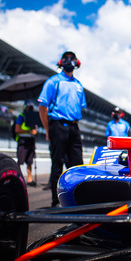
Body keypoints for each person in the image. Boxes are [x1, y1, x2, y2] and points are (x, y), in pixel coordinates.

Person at [38, 51, 87, 207]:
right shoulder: (53, 82)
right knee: (57, 164)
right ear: (61, 62)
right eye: (66, 58)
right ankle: (56, 202)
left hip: (74, 127)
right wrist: (48, 130)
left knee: (78, 164)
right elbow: (42, 107)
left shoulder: (79, 85)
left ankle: (78, 200)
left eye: (72, 58)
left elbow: (80, 106)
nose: (69, 60)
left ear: (76, 62)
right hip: (58, 126)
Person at [15, 100, 38, 186]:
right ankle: (18, 177)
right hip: (22, 141)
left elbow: (35, 131)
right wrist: (29, 131)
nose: (30, 109)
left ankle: (29, 179)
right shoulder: (21, 117)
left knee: (29, 161)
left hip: (30, 142)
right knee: (20, 160)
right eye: (29, 107)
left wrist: (33, 131)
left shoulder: (33, 119)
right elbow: (17, 129)